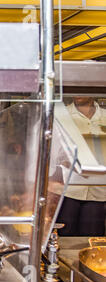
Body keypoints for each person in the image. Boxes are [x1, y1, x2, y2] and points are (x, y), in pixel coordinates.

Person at [57, 97, 106, 236]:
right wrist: (73, 161)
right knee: (64, 237)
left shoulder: (104, 116)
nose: (78, 94)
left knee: (91, 239)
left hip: (98, 193)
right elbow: (54, 149)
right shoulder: (62, 115)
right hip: (69, 190)